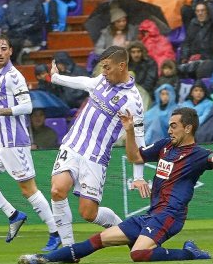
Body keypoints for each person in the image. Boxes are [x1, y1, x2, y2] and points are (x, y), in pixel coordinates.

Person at [17, 107, 213, 264]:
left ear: (188, 128)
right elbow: (135, 156)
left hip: (170, 215)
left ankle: (189, 253)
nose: (169, 129)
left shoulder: (198, 154)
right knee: (97, 241)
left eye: (174, 126)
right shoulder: (163, 147)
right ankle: (44, 260)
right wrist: (128, 131)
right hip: (152, 214)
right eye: (170, 125)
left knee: (138, 254)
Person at [0, 34, 61, 251]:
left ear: (10, 51)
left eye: (4, 49)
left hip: (15, 143)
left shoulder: (14, 76)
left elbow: (27, 106)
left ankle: (55, 233)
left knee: (28, 189)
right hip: (0, 142)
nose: (0, 53)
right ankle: (14, 215)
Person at [49, 45, 146, 247]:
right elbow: (86, 82)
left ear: (122, 66)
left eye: (107, 67)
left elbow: (139, 138)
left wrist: (138, 176)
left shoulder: (133, 100)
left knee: (88, 213)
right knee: (57, 191)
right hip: (72, 144)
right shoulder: (102, 80)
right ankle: (68, 249)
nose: (104, 72)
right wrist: (57, 78)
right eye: (102, 67)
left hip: (96, 157)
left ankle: (127, 232)